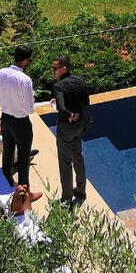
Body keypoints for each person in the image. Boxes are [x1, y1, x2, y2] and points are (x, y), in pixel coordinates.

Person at [0, 45, 37, 189]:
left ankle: (6, 181)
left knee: (8, 152)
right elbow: (30, 109)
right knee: (24, 159)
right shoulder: (25, 80)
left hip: (5, 118)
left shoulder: (0, 73)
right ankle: (24, 192)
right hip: (21, 123)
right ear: (25, 61)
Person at [52, 55, 92, 207]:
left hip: (67, 128)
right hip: (81, 125)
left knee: (65, 163)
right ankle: (81, 191)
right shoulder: (79, 80)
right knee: (78, 156)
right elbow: (86, 102)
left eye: (55, 69)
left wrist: (69, 114)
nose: (53, 72)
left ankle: (67, 197)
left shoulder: (59, 86)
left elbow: (61, 108)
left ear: (64, 68)